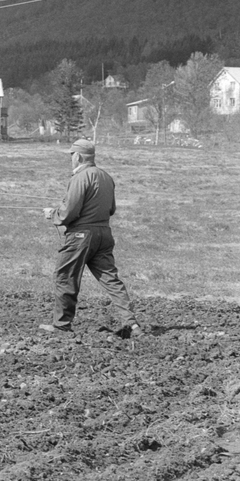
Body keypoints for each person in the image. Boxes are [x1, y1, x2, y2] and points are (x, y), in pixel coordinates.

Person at [39, 138, 141, 337]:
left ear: (77, 156)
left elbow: (69, 211)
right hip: (104, 234)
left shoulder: (80, 177)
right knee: (111, 280)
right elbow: (111, 209)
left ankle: (61, 325)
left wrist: (53, 214)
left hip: (80, 237)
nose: (71, 159)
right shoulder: (106, 177)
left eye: (71, 155)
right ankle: (133, 325)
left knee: (65, 276)